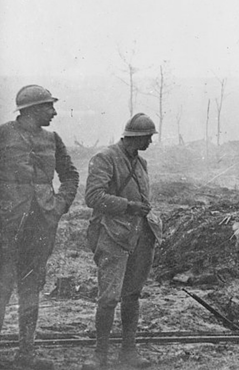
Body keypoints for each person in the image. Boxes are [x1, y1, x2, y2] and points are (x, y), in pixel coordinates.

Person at [0, 85, 79, 370]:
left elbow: (70, 175)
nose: (54, 112)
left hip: (40, 226)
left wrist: (58, 205)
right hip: (4, 226)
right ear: (31, 110)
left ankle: (26, 354)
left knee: (31, 287)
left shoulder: (53, 139)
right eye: (48, 107)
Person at [82, 113, 162, 369]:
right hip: (112, 235)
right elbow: (93, 196)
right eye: (148, 137)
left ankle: (129, 352)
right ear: (135, 137)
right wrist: (128, 206)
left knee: (132, 295)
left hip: (140, 235)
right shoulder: (105, 158)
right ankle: (99, 355)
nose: (150, 142)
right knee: (108, 297)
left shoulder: (141, 163)